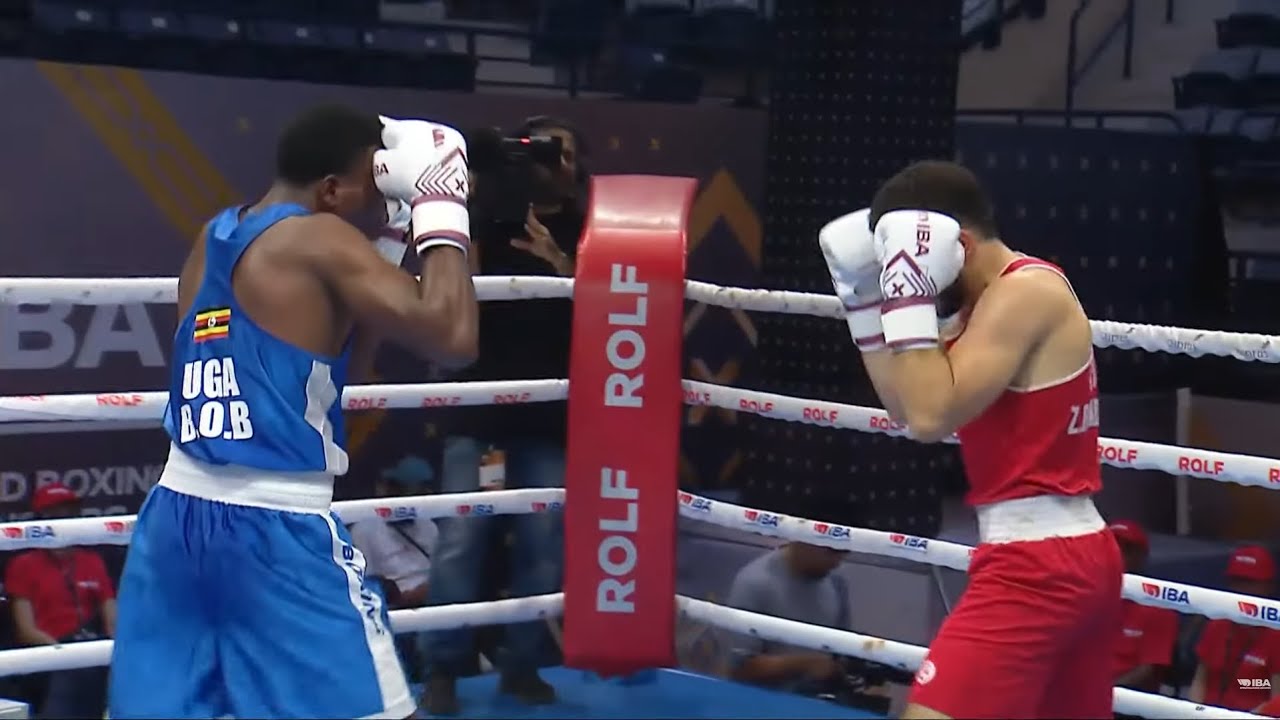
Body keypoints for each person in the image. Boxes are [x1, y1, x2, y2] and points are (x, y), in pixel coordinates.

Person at [108, 104, 480, 720]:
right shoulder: (320, 238)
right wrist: (441, 209)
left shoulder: (214, 237)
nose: (376, 201)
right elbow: (454, 338)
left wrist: (389, 241)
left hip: (175, 515)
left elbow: (344, 367)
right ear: (331, 189)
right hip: (273, 526)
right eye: (370, 186)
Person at [819, 160, 1123, 719]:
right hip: (1056, 556)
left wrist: (907, 297)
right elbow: (907, 408)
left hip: (1039, 568)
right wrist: (865, 305)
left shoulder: (1026, 292)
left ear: (954, 244)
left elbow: (931, 416)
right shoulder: (979, 309)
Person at [422, 115, 586, 716]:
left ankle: (521, 666)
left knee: (542, 546)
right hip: (482, 418)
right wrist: (476, 203)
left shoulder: (594, 228)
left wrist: (559, 259)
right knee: (462, 540)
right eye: (542, 151)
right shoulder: (483, 213)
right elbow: (446, 295)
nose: (552, 163)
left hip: (547, 421)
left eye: (563, 153)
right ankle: (442, 669)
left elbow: (617, 313)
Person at [5, 483, 116, 719]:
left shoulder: (92, 561)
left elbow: (113, 622)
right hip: (49, 657)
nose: (64, 517)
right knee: (72, 675)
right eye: (56, 513)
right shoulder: (23, 565)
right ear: (41, 518)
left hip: (91, 654)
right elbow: (26, 630)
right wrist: (62, 653)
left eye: (69, 512)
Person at [726, 543, 851, 692]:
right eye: (832, 551)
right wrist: (804, 664)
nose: (837, 562)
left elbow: (843, 648)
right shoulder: (754, 584)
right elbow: (739, 669)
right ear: (802, 540)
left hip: (819, 698)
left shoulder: (836, 580)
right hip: (765, 700)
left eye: (844, 552)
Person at [1187, 545, 1280, 712]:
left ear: (1268, 586)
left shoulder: (1276, 634)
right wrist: (1196, 713)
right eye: (1237, 581)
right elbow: (1200, 681)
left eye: (1250, 582)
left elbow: (1276, 698)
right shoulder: (1218, 624)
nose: (1241, 588)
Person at [1109, 520, 1178, 694]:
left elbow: (1149, 671)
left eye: (1126, 550)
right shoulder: (1085, 600)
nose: (1117, 555)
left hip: (1127, 700)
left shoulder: (1157, 609)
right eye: (1111, 547)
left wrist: (1104, 693)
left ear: (1141, 556)